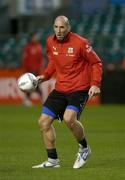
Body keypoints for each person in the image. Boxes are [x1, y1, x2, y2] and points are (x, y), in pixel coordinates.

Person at [32, 15, 102, 169]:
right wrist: (45, 76)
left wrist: (95, 84)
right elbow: (52, 61)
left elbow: (96, 62)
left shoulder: (81, 43)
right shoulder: (50, 42)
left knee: (69, 118)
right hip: (60, 88)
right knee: (43, 122)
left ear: (68, 27)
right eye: (56, 27)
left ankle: (84, 149)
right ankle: (52, 160)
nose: (59, 30)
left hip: (79, 88)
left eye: (62, 27)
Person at [22, 32, 44, 106]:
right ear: (31, 38)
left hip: (37, 70)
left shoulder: (39, 47)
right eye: (34, 37)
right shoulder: (28, 47)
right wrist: (25, 70)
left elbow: (40, 59)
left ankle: (27, 99)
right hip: (30, 70)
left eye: (36, 37)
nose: (35, 38)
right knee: (32, 85)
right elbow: (25, 59)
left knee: (34, 85)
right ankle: (40, 99)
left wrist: (41, 67)